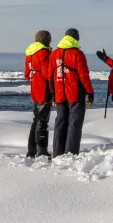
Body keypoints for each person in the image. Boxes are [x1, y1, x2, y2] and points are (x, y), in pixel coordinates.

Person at [49, 28, 95, 157]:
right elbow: (84, 75)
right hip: (74, 94)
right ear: (76, 38)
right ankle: (71, 153)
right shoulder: (77, 54)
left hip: (59, 94)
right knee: (74, 123)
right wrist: (90, 92)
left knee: (60, 122)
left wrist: (53, 94)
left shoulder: (54, 54)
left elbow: (50, 76)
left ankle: (57, 153)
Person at [24, 30, 53, 159]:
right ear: (46, 39)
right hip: (43, 89)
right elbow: (47, 73)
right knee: (42, 121)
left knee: (36, 120)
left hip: (35, 89)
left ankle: (31, 150)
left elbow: (27, 74)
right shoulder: (43, 52)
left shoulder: (30, 52)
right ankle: (42, 150)